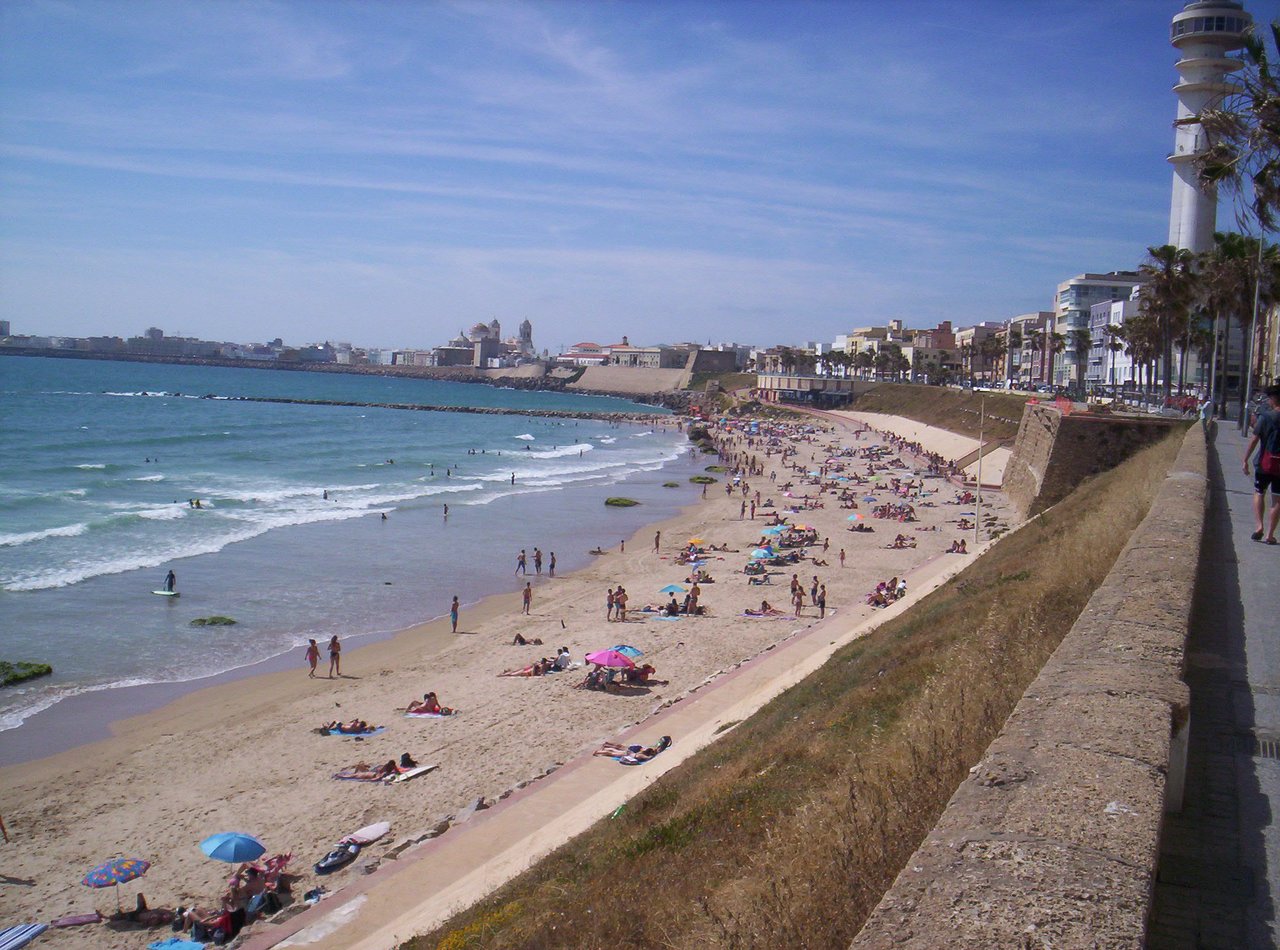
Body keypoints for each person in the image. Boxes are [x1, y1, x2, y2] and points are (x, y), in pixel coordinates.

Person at [1243, 383, 1280, 544]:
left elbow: (1254, 439)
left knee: (1259, 492)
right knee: (1277, 499)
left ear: (1273, 399)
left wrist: (1245, 459)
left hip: (1263, 463)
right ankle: (1270, 534)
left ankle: (1259, 526)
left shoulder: (1266, 417)